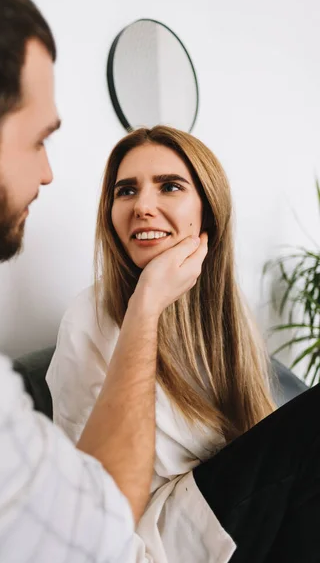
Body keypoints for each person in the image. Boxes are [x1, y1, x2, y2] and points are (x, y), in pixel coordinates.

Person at [0, 0, 208, 561]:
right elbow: (90, 528)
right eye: (38, 140)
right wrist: (147, 303)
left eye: (170, 187)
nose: (49, 173)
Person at [47, 126, 320, 563]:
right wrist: (145, 306)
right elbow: (101, 506)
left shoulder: (223, 313)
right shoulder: (88, 319)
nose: (143, 206)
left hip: (234, 516)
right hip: (154, 538)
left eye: (169, 187)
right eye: (126, 191)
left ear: (207, 211)